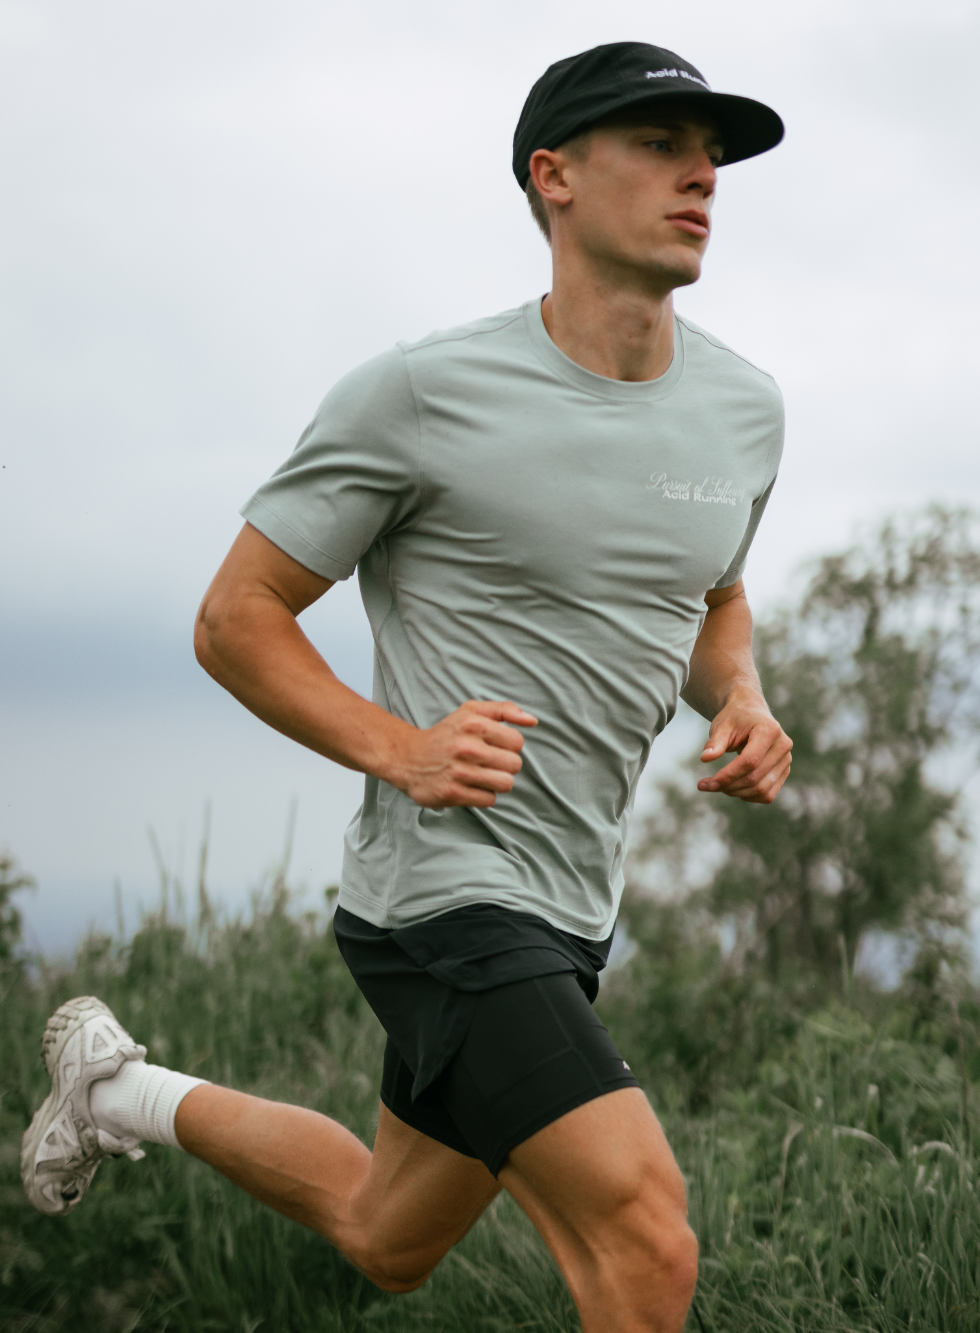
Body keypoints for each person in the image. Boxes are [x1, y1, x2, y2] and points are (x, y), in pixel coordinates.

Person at [22, 41, 792, 1333]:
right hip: (442, 896)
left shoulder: (745, 410)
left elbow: (710, 596)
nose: (701, 173)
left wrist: (744, 696)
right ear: (554, 176)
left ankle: (112, 1095)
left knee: (390, 1236)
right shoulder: (422, 395)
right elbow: (235, 619)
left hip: (569, 905)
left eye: (710, 152)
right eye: (660, 145)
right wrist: (402, 751)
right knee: (646, 1241)